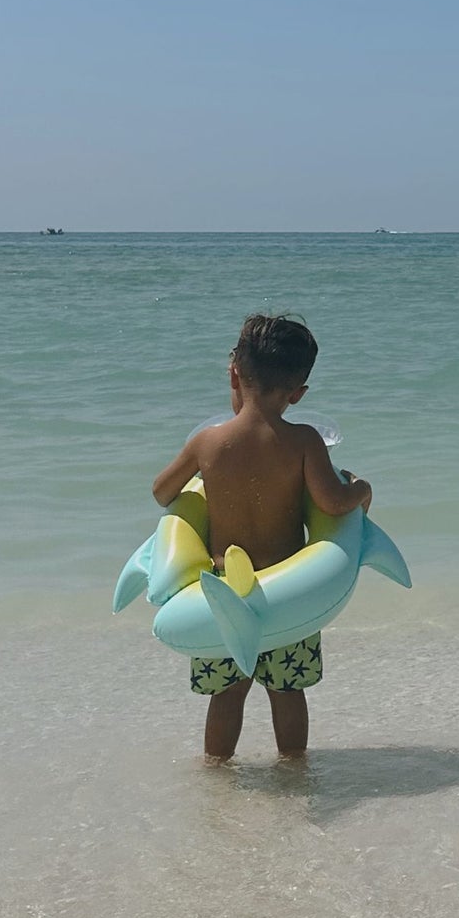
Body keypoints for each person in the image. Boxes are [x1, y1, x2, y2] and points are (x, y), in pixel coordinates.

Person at [150, 313, 372, 761]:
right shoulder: (304, 441)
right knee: (287, 693)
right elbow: (331, 504)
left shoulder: (208, 443)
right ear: (298, 393)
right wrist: (360, 490)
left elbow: (161, 492)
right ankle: (293, 768)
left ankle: (216, 775)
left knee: (227, 696)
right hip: (287, 597)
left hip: (225, 593)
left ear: (234, 373)